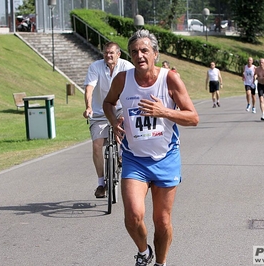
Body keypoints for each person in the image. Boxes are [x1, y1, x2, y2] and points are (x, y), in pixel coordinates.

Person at [103, 29, 199, 266]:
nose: (140, 55)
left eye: (145, 50)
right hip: (135, 159)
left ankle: (160, 263)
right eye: (134, 51)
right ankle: (144, 252)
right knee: (133, 216)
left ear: (155, 53)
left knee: (162, 221)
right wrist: (114, 121)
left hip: (166, 158)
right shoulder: (122, 80)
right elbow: (108, 102)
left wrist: (163, 111)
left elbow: (193, 117)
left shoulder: (170, 79)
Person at [83, 42, 134, 198]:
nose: (108, 56)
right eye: (105, 53)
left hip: (120, 108)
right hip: (100, 110)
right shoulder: (95, 67)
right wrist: (89, 106)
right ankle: (101, 183)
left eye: (111, 53)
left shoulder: (127, 66)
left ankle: (120, 155)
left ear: (118, 54)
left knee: (123, 128)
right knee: (97, 145)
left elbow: (134, 87)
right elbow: (89, 88)